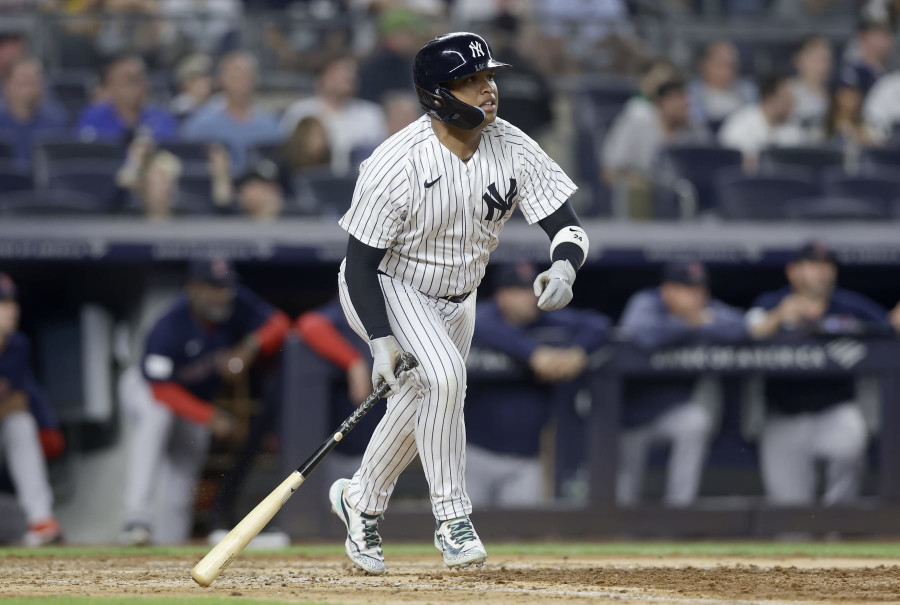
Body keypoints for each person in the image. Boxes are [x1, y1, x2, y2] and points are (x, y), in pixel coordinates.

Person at [329, 32, 589, 574]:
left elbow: (567, 227)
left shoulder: (513, 145)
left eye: (488, 77)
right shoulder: (394, 162)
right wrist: (380, 341)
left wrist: (564, 264)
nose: (487, 89)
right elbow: (358, 265)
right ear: (437, 94)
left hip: (460, 295)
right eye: (470, 81)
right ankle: (452, 518)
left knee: (418, 405)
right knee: (445, 379)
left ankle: (361, 499)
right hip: (388, 284)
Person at [118, 258, 290, 545]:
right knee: (156, 418)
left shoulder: (237, 305)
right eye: (212, 287)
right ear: (193, 288)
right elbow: (160, 389)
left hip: (194, 401)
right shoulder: (169, 325)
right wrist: (210, 416)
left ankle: (169, 540)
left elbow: (280, 324)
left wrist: (248, 347)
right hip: (147, 390)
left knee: (185, 467)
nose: (221, 295)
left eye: (224, 287)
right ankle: (136, 516)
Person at [746, 241, 888, 506]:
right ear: (793, 272)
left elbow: (887, 328)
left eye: (827, 266)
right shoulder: (772, 302)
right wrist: (779, 316)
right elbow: (747, 331)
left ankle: (837, 522)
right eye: (813, 266)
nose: (822, 272)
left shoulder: (849, 305)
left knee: (850, 442)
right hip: (783, 416)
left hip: (833, 410)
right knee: (791, 517)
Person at [465, 262, 608, 508]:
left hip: (526, 459)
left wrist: (579, 353)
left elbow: (599, 325)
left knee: (524, 538)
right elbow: (483, 324)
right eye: (520, 291)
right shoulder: (480, 319)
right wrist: (533, 354)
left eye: (533, 291)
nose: (530, 298)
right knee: (463, 533)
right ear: (502, 295)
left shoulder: (546, 320)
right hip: (472, 455)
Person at [618, 261, 745, 507]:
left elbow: (741, 326)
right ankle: (619, 534)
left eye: (699, 289)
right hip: (627, 419)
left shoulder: (706, 310)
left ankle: (679, 511)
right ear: (667, 290)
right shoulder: (647, 302)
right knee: (624, 493)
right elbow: (643, 332)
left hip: (668, 414)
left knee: (695, 421)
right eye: (687, 289)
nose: (696, 296)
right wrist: (691, 324)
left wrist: (701, 321)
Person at [0, 273, 64, 546]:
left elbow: (23, 398)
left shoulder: (17, 345)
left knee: (21, 423)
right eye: (3, 304)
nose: (12, 310)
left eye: (13, 302)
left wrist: (48, 425)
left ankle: (41, 520)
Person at [295, 300, 382, 484]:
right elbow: (309, 324)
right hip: (341, 450)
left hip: (384, 447)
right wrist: (354, 362)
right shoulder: (347, 309)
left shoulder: (396, 312)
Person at [279, 54, 387, 176]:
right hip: (313, 183)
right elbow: (291, 158)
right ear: (321, 78)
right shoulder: (300, 112)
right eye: (339, 70)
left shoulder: (371, 114)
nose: (348, 76)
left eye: (351, 71)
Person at [602, 78, 706, 198]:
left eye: (686, 101)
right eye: (676, 98)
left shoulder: (694, 130)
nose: (683, 104)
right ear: (660, 102)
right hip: (642, 196)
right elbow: (609, 171)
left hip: (682, 196)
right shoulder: (635, 124)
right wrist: (634, 182)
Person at [182, 51, 282, 174]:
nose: (241, 83)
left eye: (246, 77)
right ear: (221, 80)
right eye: (235, 77)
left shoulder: (270, 123)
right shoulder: (201, 123)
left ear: (255, 81)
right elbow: (189, 163)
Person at [76, 54, 177, 143]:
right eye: (129, 81)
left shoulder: (161, 119)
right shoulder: (93, 117)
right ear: (110, 87)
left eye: (141, 80)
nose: (138, 87)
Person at [719, 74, 807, 171]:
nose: (791, 104)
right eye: (786, 98)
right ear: (769, 98)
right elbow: (729, 160)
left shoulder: (793, 126)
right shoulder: (740, 123)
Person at [0, 57, 69, 169]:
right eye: (25, 82)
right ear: (7, 85)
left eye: (36, 82)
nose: (32, 89)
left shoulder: (57, 119)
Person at [687, 40, 757, 130]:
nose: (729, 70)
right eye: (722, 64)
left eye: (732, 64)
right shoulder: (690, 93)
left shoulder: (749, 90)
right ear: (704, 65)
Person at [357, 8, 422, 104]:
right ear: (389, 36)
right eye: (407, 34)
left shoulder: (407, 62)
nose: (411, 40)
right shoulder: (377, 67)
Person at [818, 76, 883, 147]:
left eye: (855, 94)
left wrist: (861, 136)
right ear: (835, 96)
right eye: (844, 94)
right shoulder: (822, 124)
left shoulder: (869, 123)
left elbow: (880, 145)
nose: (850, 99)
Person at [788, 37, 833, 130]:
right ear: (799, 59)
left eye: (827, 59)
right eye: (818, 58)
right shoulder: (787, 93)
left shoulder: (836, 95)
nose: (824, 65)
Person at [839, 20, 893, 96]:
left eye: (887, 36)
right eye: (878, 35)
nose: (885, 41)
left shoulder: (885, 71)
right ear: (863, 37)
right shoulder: (853, 70)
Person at [169, 53, 214, 122]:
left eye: (206, 77)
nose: (205, 82)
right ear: (186, 83)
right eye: (197, 79)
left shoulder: (218, 103)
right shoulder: (179, 107)